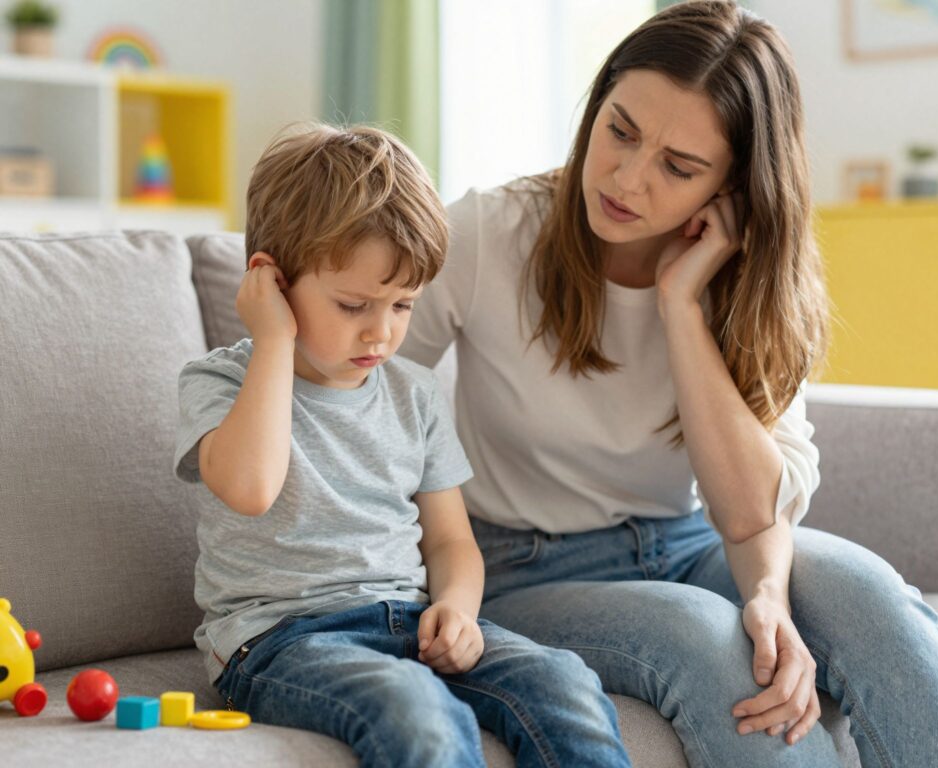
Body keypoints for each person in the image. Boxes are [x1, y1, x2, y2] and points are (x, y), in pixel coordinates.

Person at [401, 2, 938, 766]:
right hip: (522, 567)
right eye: (619, 130)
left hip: (687, 545)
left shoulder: (742, 278)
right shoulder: (488, 235)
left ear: (733, 185)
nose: (625, 177)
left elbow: (753, 509)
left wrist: (682, 306)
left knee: (868, 593)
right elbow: (361, 390)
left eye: (678, 168)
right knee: (700, 634)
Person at [173, 123, 632, 768]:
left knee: (564, 683)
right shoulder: (221, 382)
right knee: (416, 708)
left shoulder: (411, 393)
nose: (381, 334)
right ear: (271, 284)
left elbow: (450, 541)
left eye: (402, 306)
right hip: (278, 641)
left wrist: (457, 610)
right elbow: (251, 489)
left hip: (406, 619)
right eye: (355, 304)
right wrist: (273, 343)